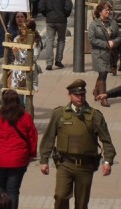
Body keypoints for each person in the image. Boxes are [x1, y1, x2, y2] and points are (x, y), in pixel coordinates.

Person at [40, 79, 115, 209]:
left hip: (85, 166)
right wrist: (44, 160)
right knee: (61, 196)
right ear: (69, 95)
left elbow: (106, 140)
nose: (80, 97)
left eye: (82, 95)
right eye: (76, 95)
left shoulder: (95, 116)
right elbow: (49, 137)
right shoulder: (59, 114)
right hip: (65, 164)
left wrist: (107, 161)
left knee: (81, 203)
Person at [0, 90, 37, 209]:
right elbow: (32, 136)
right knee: (13, 190)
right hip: (19, 160)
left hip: (0, 159)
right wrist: (32, 153)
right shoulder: (25, 117)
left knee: (0, 187)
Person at [89, 1, 121, 107]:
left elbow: (118, 36)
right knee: (103, 74)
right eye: (106, 10)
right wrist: (105, 44)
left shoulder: (113, 23)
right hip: (99, 53)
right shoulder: (94, 24)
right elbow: (92, 39)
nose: (108, 12)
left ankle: (96, 91)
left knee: (104, 73)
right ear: (99, 12)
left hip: (111, 54)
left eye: (109, 10)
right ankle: (104, 98)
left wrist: (114, 42)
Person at [40, 0, 73, 71]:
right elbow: (68, 7)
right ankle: (58, 60)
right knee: (61, 40)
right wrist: (64, 15)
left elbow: (41, 6)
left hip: (50, 20)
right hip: (61, 20)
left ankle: (49, 62)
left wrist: (47, 14)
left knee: (49, 41)